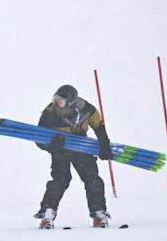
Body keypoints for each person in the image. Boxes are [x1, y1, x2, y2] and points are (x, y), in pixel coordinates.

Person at [32, 84, 114, 228]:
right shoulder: (50, 113)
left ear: (71, 103)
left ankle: (98, 213)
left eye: (60, 102)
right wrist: (51, 146)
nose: (56, 104)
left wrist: (104, 144)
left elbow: (99, 127)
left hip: (81, 146)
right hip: (61, 149)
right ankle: (47, 214)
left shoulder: (87, 110)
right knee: (60, 179)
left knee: (92, 178)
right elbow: (38, 139)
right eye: (55, 100)